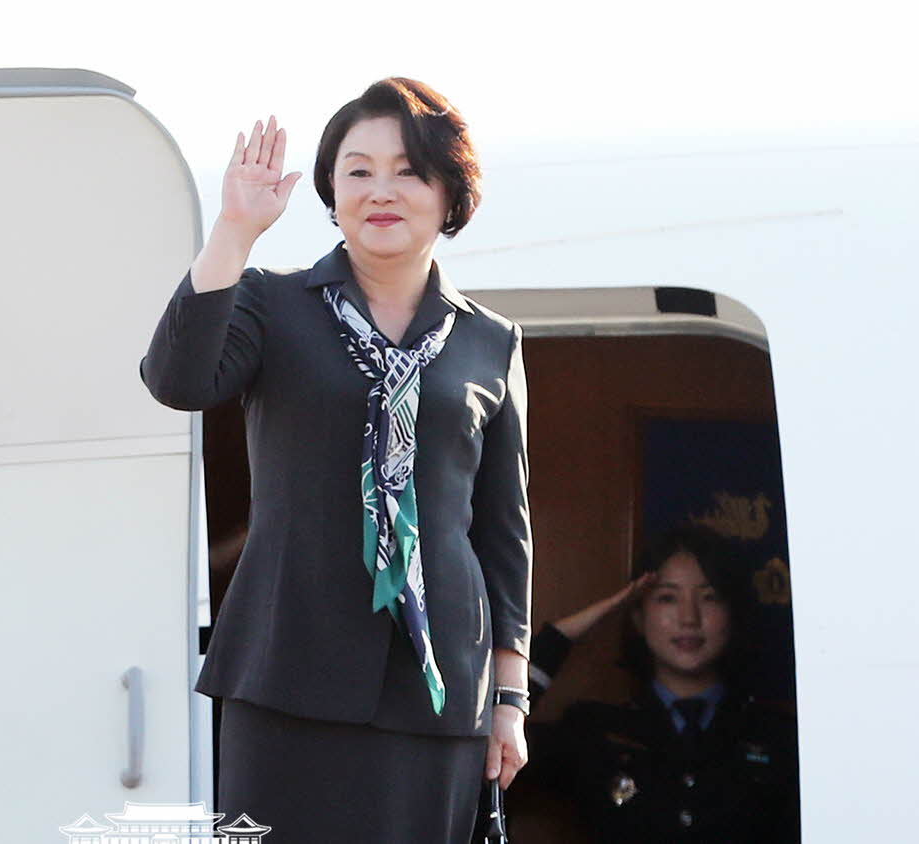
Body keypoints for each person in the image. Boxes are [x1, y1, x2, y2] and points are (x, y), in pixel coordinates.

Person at [141, 78, 533, 844]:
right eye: (358, 171)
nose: (381, 190)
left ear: (449, 192)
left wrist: (510, 700)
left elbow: (502, 533)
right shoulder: (270, 302)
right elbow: (177, 381)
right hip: (286, 673)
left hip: (439, 682)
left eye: (408, 171)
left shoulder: (491, 341)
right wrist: (234, 229)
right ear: (329, 191)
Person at [522, 525, 800, 842]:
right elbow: (492, 752)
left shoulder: (778, 737)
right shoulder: (594, 731)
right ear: (638, 616)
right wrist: (563, 636)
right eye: (667, 598)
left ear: (731, 613)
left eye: (709, 597)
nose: (688, 618)